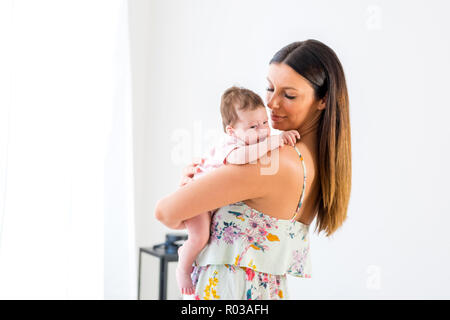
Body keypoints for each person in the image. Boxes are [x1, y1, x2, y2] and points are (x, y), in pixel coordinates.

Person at [155, 39, 352, 300]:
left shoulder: (272, 162)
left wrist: (190, 189)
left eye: (289, 95)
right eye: (269, 88)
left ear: (323, 100)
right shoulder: (313, 165)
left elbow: (166, 212)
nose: (271, 104)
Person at [176, 86, 300, 295]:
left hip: (212, 201)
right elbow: (241, 158)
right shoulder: (231, 146)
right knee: (199, 237)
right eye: (253, 126)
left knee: (202, 236)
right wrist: (274, 141)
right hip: (198, 198)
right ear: (232, 131)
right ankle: (183, 266)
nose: (262, 130)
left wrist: (282, 136)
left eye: (265, 123)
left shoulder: (253, 142)